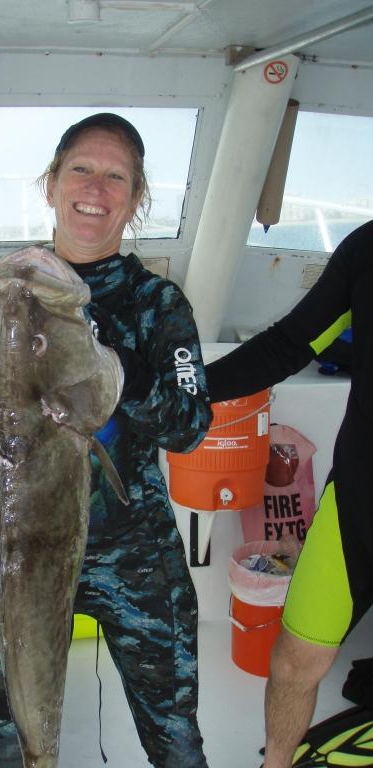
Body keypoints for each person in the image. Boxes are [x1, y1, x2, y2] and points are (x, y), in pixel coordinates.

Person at [0, 112, 212, 768]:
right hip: (15, 549)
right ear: (51, 184)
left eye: (115, 175)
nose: (95, 186)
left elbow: (190, 425)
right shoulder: (1, 295)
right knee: (12, 735)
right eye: (81, 169)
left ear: (135, 197)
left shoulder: (157, 303)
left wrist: (109, 371)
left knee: (175, 731)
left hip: (135, 551)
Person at [205, 219, 373, 768]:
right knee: (296, 659)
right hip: (359, 504)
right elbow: (287, 345)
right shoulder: (367, 248)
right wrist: (189, 389)